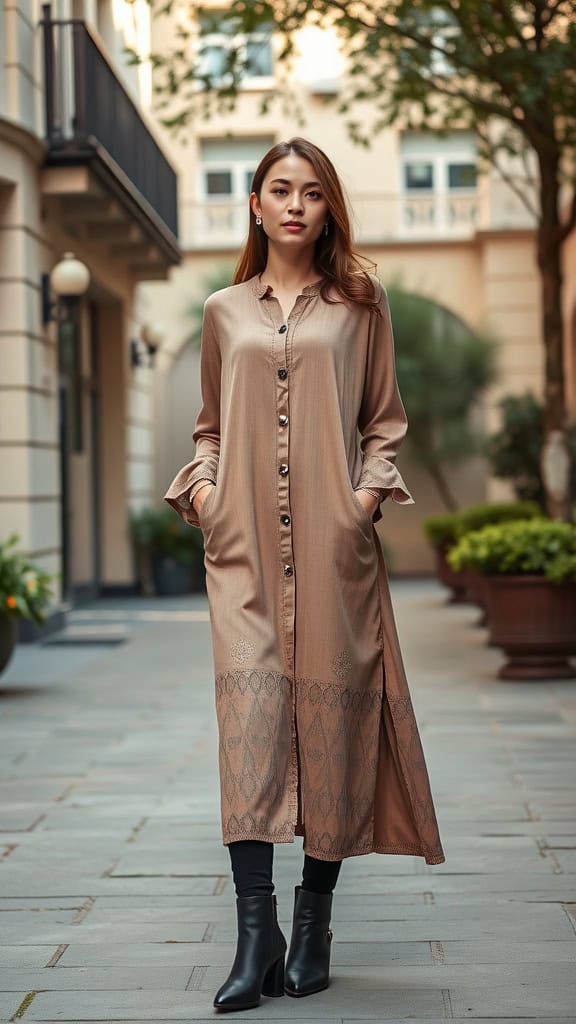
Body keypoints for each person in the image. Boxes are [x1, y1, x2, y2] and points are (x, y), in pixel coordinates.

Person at [164, 137, 445, 1013]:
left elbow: (385, 422)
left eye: (312, 192)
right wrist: (206, 494)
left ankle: (312, 922)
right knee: (248, 728)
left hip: (333, 555)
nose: (295, 205)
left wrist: (361, 505)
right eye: (279, 190)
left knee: (333, 731)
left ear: (328, 209)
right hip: (243, 554)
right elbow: (209, 426)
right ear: (253, 205)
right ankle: (258, 935)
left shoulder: (361, 304)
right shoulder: (222, 311)